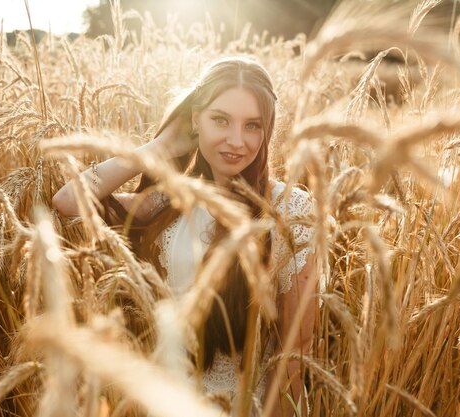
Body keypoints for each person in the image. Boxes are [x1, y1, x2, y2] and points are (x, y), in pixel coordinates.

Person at [52, 56, 316, 416]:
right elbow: (68, 201)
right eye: (220, 120)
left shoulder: (291, 209)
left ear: (267, 131)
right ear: (195, 120)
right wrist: (156, 149)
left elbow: (295, 349)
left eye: (252, 125)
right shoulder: (173, 197)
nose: (236, 141)